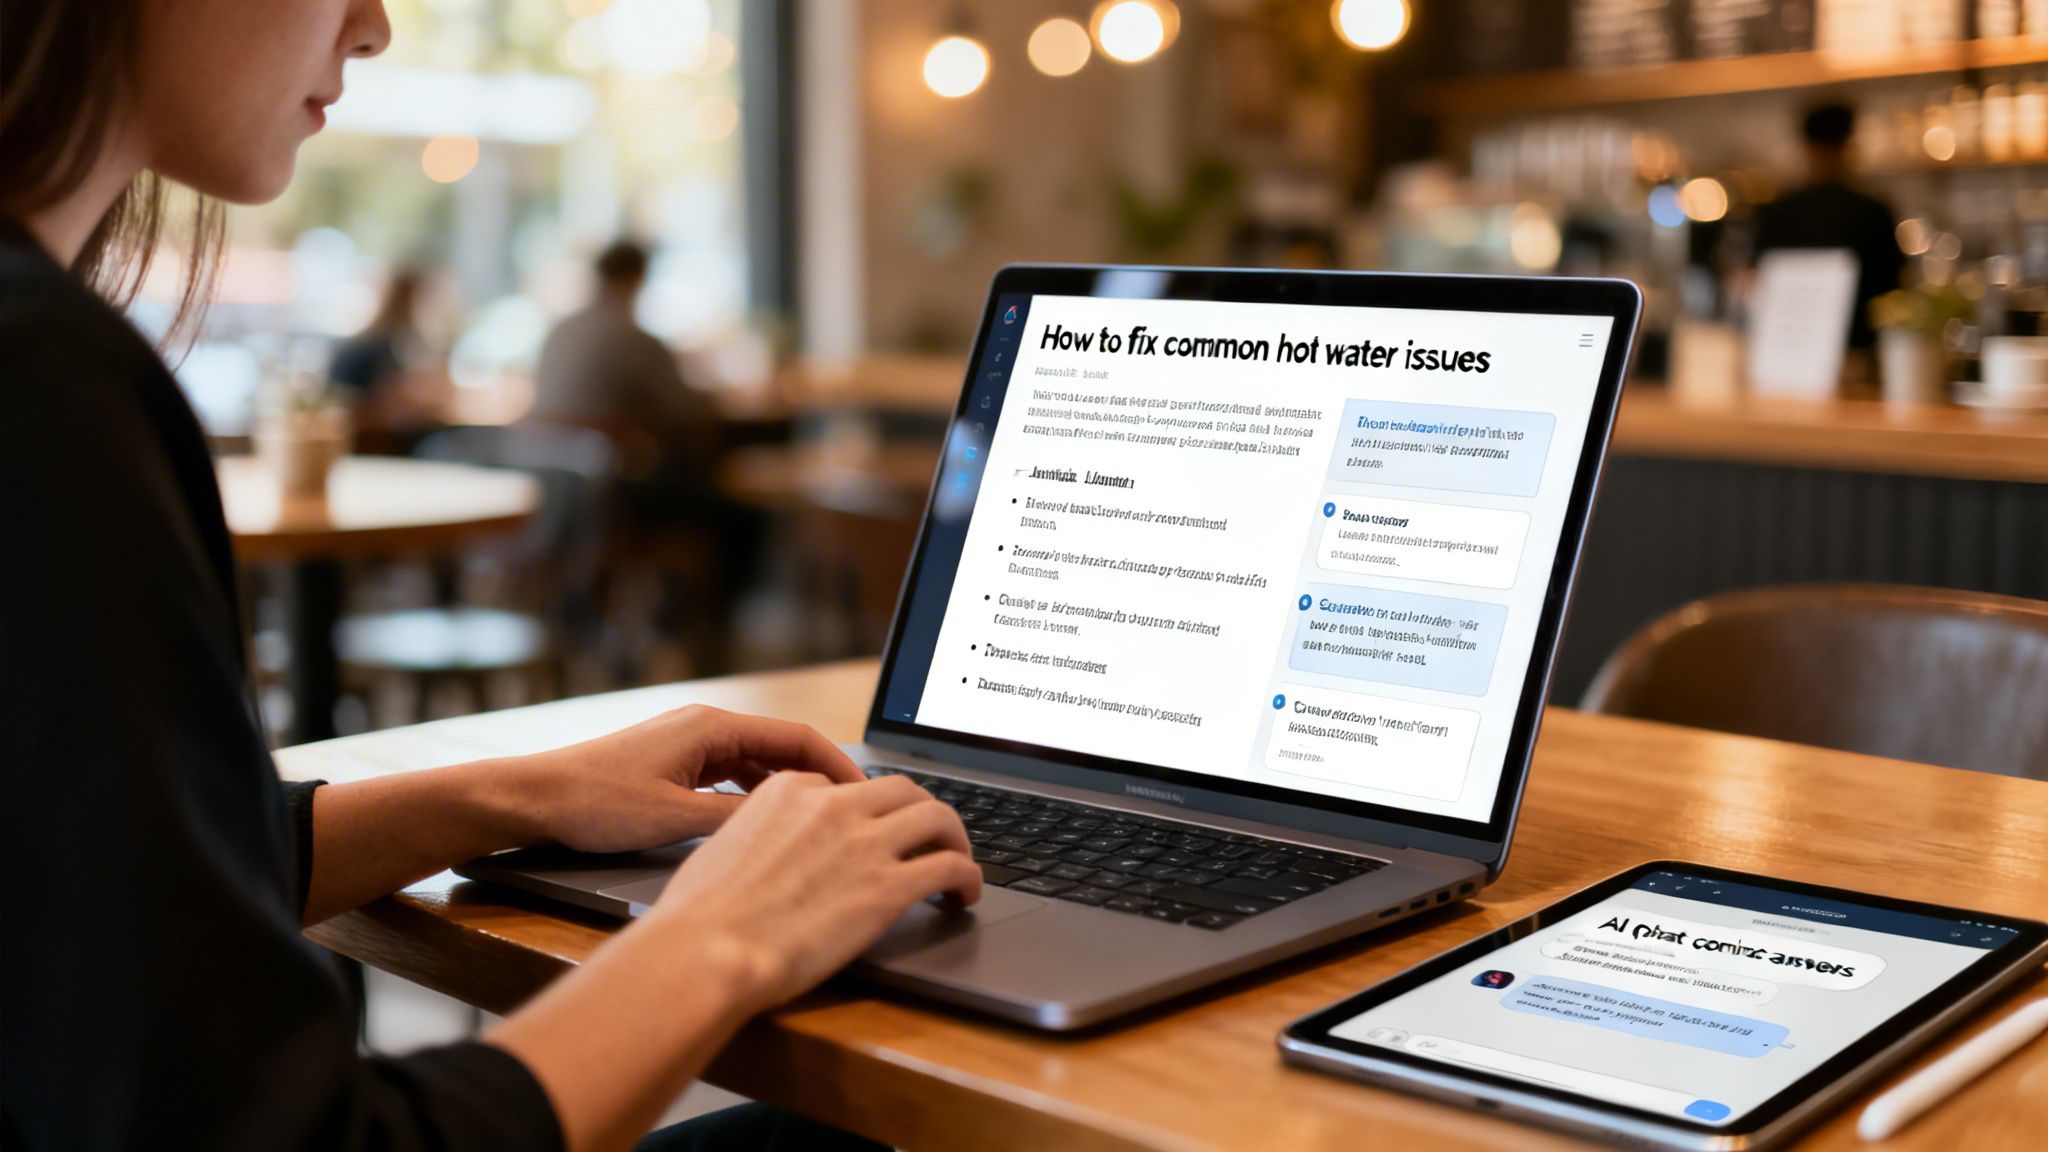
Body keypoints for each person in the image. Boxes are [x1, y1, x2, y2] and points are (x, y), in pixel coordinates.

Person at [0, 4, 980, 1152]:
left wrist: (513, 794)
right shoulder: (41, 386)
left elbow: (103, 895)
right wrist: (727, 934)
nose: (372, 27)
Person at [1751, 101, 1907, 350]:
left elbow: (1758, 285)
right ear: (1849, 145)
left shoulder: (1777, 212)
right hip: (1860, 352)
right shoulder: (1872, 211)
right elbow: (1893, 292)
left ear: (1805, 147)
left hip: (1787, 352)